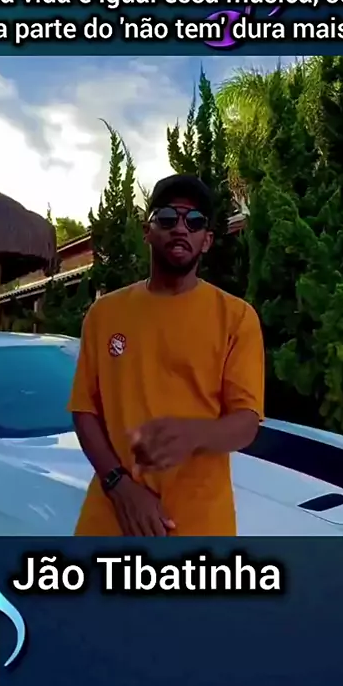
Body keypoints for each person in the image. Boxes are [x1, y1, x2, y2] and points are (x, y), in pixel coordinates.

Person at [68, 174, 265, 536]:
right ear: (148, 230)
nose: (181, 228)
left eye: (195, 221)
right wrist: (119, 486)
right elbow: (85, 410)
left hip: (200, 524)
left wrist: (194, 434)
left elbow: (246, 422)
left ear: (207, 241)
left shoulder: (236, 318)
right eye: (168, 217)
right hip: (110, 516)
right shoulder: (104, 314)